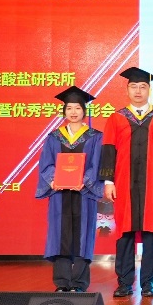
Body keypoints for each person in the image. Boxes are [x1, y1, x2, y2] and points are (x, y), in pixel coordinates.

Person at [100, 67, 153, 298]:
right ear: (127, 89)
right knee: (124, 232)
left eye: (143, 86)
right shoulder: (117, 117)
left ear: (149, 90)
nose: (138, 91)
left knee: (151, 231)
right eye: (133, 86)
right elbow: (109, 150)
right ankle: (124, 282)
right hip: (124, 183)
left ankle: (148, 282)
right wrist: (108, 181)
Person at [35, 86, 105, 292]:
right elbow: (46, 163)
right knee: (60, 236)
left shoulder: (95, 137)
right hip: (60, 194)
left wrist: (85, 180)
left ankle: (79, 283)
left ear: (84, 111)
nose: (73, 112)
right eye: (69, 108)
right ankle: (62, 283)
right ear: (64, 111)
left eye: (78, 108)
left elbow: (97, 164)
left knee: (83, 236)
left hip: (84, 193)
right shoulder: (54, 137)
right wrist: (53, 180)